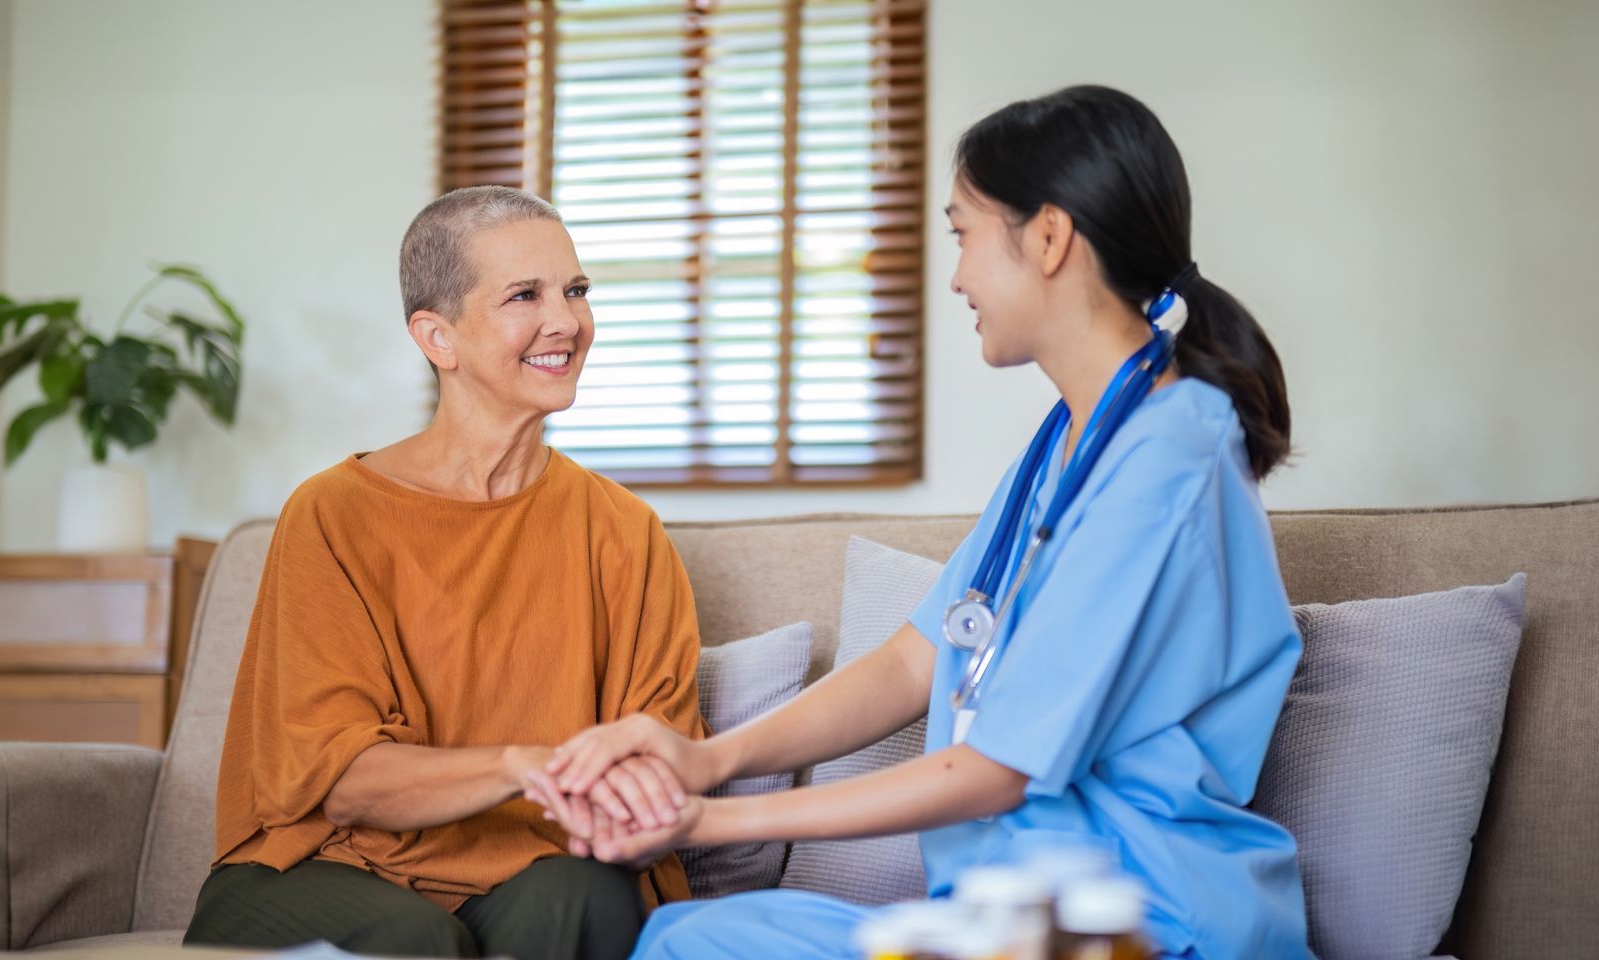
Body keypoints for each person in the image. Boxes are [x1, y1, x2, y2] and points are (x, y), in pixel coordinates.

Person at [526, 86, 1311, 960]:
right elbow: (915, 658)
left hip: (1137, 920)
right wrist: (703, 759)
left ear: (1048, 238)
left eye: (964, 235)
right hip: (1001, 913)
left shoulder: (1169, 458)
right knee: (693, 932)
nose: (957, 276)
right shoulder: (1070, 442)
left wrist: (703, 819)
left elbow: (996, 769)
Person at [184, 186, 707, 960]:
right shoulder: (332, 515)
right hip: (323, 864)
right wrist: (519, 766)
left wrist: (628, 789)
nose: (566, 320)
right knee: (418, 940)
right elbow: (345, 780)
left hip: (528, 872)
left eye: (576, 290)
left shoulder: (624, 532)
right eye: (524, 295)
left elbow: (660, 761)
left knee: (587, 895)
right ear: (438, 337)